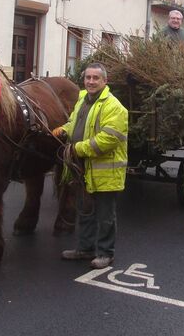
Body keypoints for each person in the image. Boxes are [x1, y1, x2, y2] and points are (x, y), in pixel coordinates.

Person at [54, 63, 128, 269]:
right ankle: (85, 249)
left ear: (105, 81)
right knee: (85, 210)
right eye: (88, 78)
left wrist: (78, 149)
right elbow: (75, 123)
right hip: (83, 168)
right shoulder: (82, 101)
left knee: (105, 216)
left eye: (96, 78)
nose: (91, 81)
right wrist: (63, 129)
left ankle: (106, 253)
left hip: (106, 170)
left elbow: (107, 140)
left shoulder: (114, 107)